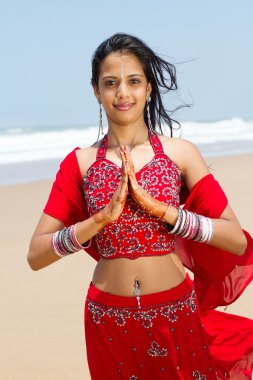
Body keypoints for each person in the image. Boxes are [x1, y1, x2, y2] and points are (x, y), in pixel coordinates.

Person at [27, 33, 253, 379]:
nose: (122, 93)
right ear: (95, 90)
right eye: (110, 83)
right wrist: (99, 220)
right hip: (108, 320)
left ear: (148, 87)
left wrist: (166, 212)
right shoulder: (80, 164)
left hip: (176, 313)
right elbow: (36, 255)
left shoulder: (181, 153)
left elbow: (235, 238)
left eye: (134, 81)